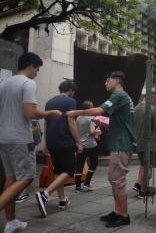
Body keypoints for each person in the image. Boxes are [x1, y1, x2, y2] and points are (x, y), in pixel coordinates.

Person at [0, 52, 62, 233]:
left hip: (2, 137)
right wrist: (50, 113)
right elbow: (30, 113)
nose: (37, 73)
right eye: (37, 69)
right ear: (30, 66)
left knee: (11, 178)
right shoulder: (28, 83)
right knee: (26, 177)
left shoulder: (2, 85)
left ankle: (11, 221)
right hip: (19, 138)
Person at [66, 71, 135, 228]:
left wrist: (76, 112)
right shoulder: (121, 97)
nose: (105, 83)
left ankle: (124, 215)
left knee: (118, 180)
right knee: (113, 178)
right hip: (120, 143)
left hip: (122, 144)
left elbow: (99, 110)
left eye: (108, 80)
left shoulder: (119, 95)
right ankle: (117, 211)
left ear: (117, 81)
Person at [35, 80, 83, 218]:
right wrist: (78, 142)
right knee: (69, 170)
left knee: (58, 171)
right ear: (72, 91)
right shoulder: (70, 101)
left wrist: (46, 143)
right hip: (65, 141)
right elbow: (71, 122)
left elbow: (46, 122)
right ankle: (45, 194)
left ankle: (62, 200)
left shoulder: (50, 102)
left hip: (52, 141)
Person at [133, 91, 156, 199]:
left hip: (138, 142)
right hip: (150, 144)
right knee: (148, 168)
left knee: (143, 164)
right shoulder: (154, 110)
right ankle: (143, 191)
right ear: (153, 98)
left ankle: (138, 184)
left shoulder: (135, 109)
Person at [74, 100, 101, 192]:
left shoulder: (78, 118)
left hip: (80, 144)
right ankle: (87, 183)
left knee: (79, 165)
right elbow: (92, 131)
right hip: (91, 145)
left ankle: (77, 186)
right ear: (89, 108)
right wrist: (98, 130)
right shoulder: (92, 118)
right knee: (93, 163)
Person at [15, 120, 43, 204]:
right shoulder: (27, 113)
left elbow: (34, 128)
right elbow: (34, 128)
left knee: (23, 168)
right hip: (25, 144)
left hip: (25, 144)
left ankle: (21, 193)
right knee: (24, 169)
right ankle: (21, 193)